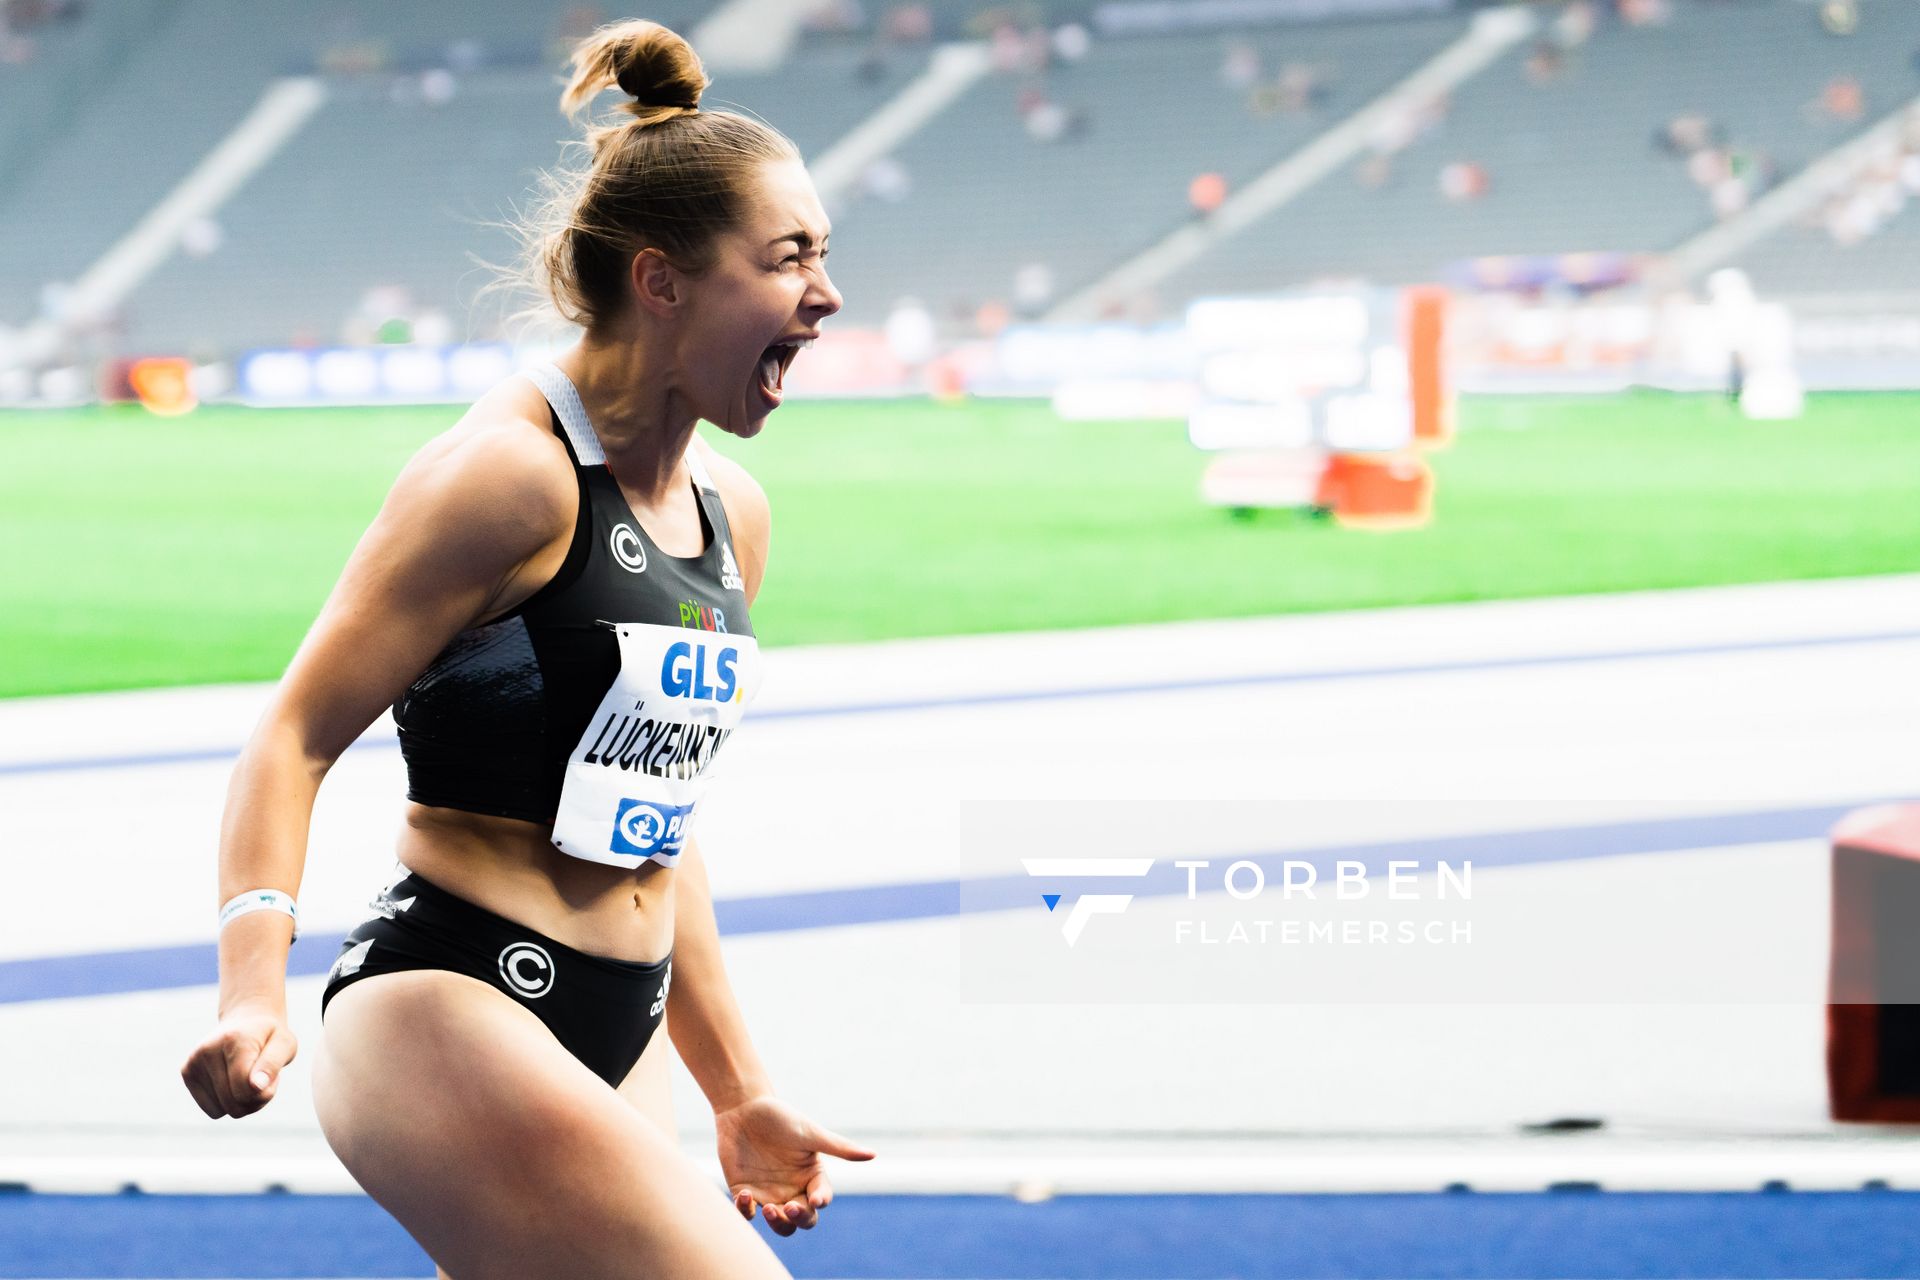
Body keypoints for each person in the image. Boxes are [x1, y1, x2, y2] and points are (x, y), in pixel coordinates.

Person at [179, 19, 869, 1279]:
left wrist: (738, 1087)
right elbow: (294, 733)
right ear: (661, 281)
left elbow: (654, 824)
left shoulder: (730, 513)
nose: (826, 297)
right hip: (452, 999)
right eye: (790, 260)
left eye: (824, 256)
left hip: (626, 1020)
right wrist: (246, 989)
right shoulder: (507, 478)